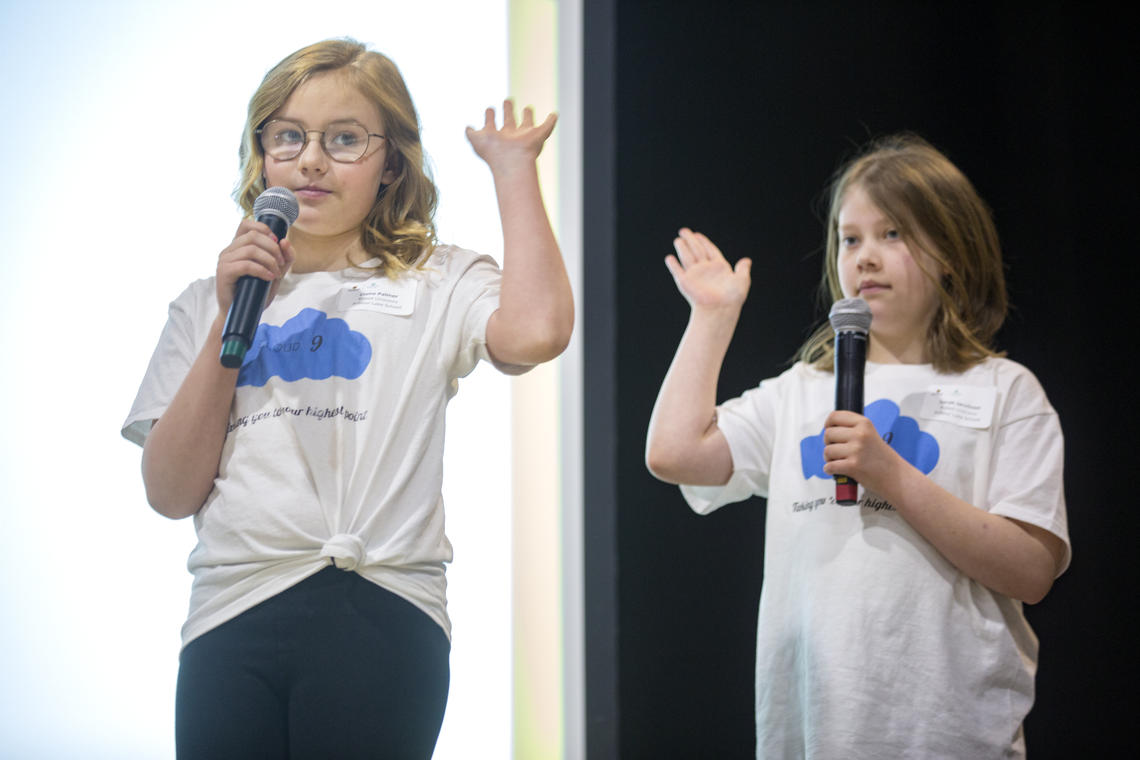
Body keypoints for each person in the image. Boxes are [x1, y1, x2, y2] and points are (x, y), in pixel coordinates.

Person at [121, 38, 571, 758]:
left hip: (382, 608)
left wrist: (514, 172)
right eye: (289, 136)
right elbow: (171, 492)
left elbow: (539, 331)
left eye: (344, 139)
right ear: (261, 151)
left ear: (391, 161)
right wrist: (227, 320)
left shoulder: (435, 280)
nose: (310, 160)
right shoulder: (204, 302)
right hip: (232, 612)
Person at [645, 135, 1069, 759]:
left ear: (952, 250)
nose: (865, 258)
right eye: (850, 239)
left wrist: (890, 475)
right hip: (815, 736)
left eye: (893, 234)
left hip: (950, 737)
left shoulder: (1005, 391)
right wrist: (711, 318)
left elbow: (1031, 570)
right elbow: (674, 453)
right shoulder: (801, 392)